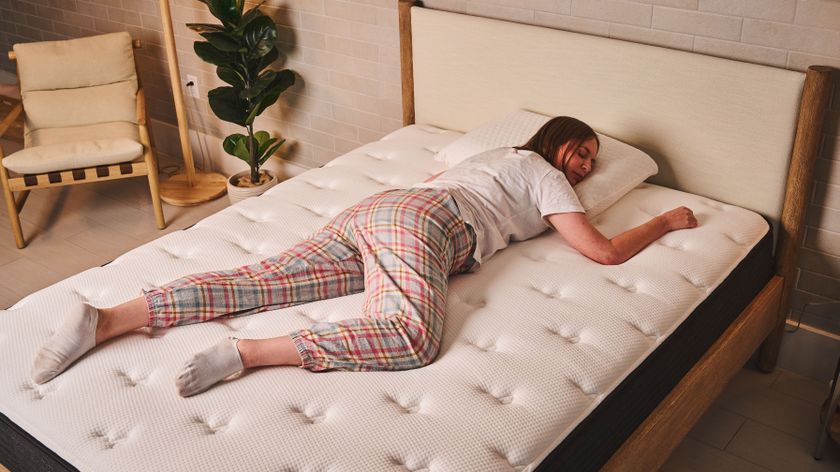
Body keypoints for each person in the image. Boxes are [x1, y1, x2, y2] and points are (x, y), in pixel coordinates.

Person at [30, 116, 697, 396]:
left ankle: (107, 317)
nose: (586, 166)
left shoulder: (492, 158)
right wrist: (666, 218)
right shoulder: (542, 171)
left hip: (381, 212)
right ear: (556, 143)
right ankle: (249, 354)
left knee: (261, 280)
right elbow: (601, 252)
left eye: (591, 162)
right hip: (428, 222)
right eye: (582, 152)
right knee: (411, 336)